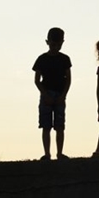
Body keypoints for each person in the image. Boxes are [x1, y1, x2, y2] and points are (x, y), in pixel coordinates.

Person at [33, 27, 72, 161]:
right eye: (54, 44)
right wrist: (45, 95)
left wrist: (63, 96)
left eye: (59, 44)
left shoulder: (65, 59)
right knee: (46, 126)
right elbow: (37, 80)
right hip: (47, 95)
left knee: (60, 126)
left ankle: (59, 153)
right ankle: (47, 154)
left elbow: (68, 79)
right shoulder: (41, 59)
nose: (56, 47)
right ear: (47, 42)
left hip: (60, 95)